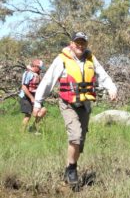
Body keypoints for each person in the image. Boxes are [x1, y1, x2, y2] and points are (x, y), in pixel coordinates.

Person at [32, 32, 117, 185]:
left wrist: (111, 88)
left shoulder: (91, 58)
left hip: (84, 105)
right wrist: (38, 102)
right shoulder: (62, 59)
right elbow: (48, 80)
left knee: (80, 142)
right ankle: (72, 169)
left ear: (86, 44)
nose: (80, 45)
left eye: (83, 42)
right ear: (71, 43)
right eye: (77, 42)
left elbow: (102, 75)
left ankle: (69, 168)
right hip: (68, 104)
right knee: (75, 137)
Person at [19, 59, 47, 132]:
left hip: (35, 96)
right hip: (26, 96)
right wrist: (31, 98)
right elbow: (24, 87)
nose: (40, 70)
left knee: (43, 110)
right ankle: (21, 132)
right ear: (35, 66)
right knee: (28, 115)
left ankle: (33, 127)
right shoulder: (28, 73)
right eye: (39, 68)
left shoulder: (37, 74)